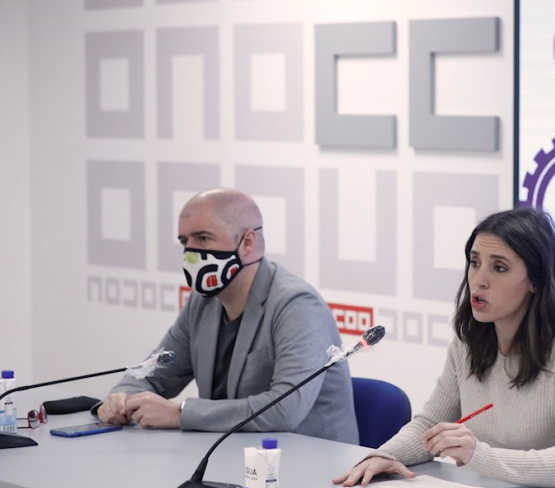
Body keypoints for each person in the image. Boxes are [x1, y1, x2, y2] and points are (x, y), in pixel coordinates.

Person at [333, 207, 555, 488]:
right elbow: (430, 425)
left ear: (535, 281)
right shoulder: (469, 340)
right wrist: (384, 455)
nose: (479, 280)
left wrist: (479, 455)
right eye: (474, 263)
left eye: (499, 268)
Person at [96, 189, 359, 443]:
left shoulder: (297, 304)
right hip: (234, 454)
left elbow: (285, 409)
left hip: (310, 462)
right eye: (185, 242)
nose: (190, 254)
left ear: (248, 243)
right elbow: (153, 374)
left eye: (203, 239)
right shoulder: (202, 302)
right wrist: (122, 398)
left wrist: (180, 414)